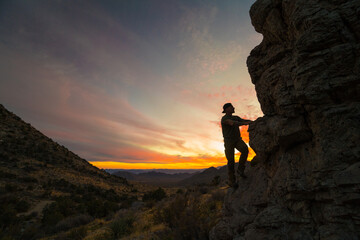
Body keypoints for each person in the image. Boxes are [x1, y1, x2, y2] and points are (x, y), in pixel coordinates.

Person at [221, 103, 252, 188]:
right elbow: (232, 123)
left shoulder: (235, 117)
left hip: (237, 140)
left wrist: (252, 122)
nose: (234, 108)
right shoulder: (224, 118)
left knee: (245, 150)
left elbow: (243, 121)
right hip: (228, 142)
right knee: (231, 162)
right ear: (227, 109)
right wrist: (244, 123)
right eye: (232, 107)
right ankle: (232, 181)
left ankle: (240, 170)